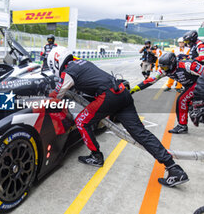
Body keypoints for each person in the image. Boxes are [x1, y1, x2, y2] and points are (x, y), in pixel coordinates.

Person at [48, 46, 189, 187]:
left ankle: (96, 156)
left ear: (55, 62)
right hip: (122, 92)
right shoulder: (82, 62)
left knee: (81, 121)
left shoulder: (68, 72)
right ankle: (174, 169)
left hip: (108, 97)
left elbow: (55, 96)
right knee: (141, 133)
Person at [130, 52, 204, 134]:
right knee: (191, 106)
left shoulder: (188, 65)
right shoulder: (163, 71)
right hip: (189, 86)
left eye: (165, 67)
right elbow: (151, 80)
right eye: (162, 67)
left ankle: (182, 126)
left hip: (199, 84)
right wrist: (136, 88)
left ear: (172, 63)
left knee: (182, 100)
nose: (163, 69)